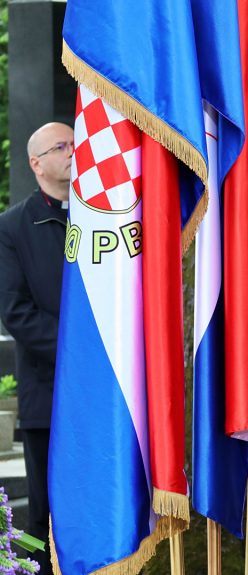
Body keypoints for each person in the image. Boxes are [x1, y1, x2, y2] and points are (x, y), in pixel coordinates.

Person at [0, 122, 75, 575]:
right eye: (61, 146)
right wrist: (77, 352)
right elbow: (16, 312)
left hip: (104, 395)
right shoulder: (12, 227)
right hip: (46, 395)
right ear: (36, 163)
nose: (73, 151)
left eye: (76, 143)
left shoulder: (103, 215)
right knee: (41, 513)